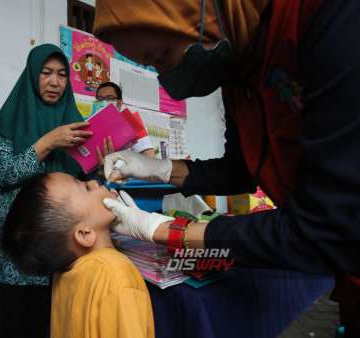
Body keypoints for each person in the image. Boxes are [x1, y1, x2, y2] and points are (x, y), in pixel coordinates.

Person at [93, 0, 360, 335]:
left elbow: (326, 227)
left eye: (159, 56)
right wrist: (155, 168)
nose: (164, 77)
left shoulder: (326, 17)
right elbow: (241, 169)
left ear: (197, 12)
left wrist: (164, 230)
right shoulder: (239, 67)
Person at [0, 44, 98, 338]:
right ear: (32, 75)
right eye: (46, 73)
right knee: (12, 322)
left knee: (53, 322)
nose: (55, 82)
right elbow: (3, 174)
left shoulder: (74, 122)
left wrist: (103, 162)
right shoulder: (9, 121)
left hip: (62, 242)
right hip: (18, 242)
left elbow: (87, 184)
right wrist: (48, 142)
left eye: (61, 75)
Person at [2, 172, 157, 338]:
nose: (92, 182)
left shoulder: (64, 273)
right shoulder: (116, 275)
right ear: (84, 234)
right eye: (85, 188)